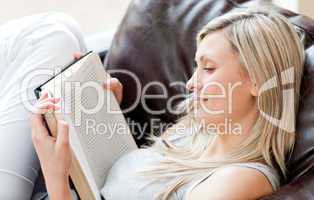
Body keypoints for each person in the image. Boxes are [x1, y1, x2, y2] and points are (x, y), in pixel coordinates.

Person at [2, 9, 305, 200]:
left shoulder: (239, 179)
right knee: (61, 35)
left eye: (209, 68)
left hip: (52, 188)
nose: (190, 83)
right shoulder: (196, 132)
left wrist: (57, 179)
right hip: (55, 181)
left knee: (53, 32)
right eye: (196, 68)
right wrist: (104, 116)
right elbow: (121, 178)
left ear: (258, 80)